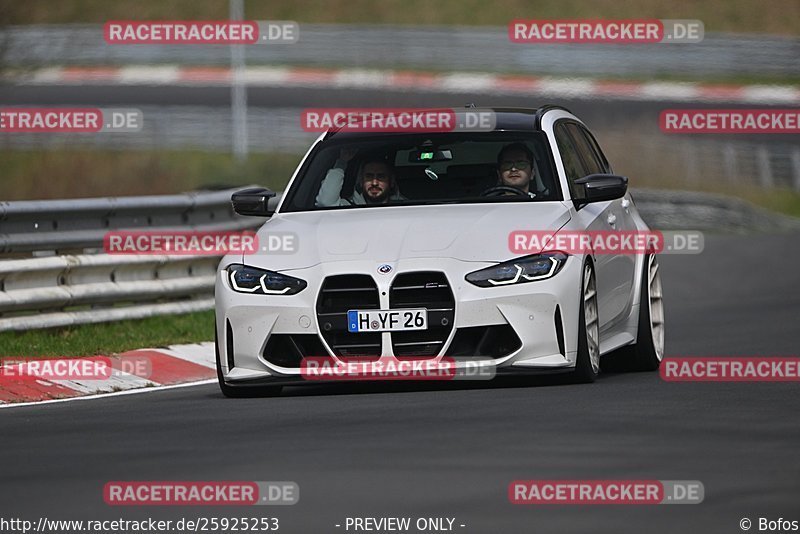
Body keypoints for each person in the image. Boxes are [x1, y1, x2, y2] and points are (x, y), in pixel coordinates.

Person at [315, 148, 405, 206]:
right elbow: (325, 202)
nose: (374, 183)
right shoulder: (348, 208)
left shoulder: (406, 208)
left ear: (391, 181)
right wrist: (342, 162)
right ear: (361, 181)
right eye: (369, 176)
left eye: (380, 177)